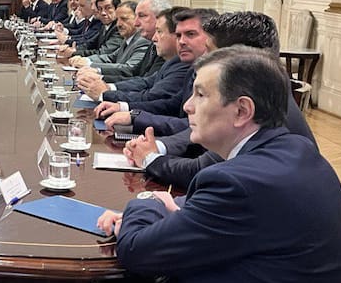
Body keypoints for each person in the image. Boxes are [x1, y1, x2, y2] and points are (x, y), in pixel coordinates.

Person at [78, 46, 341, 283]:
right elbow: (243, 223)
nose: (188, 106)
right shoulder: (295, 151)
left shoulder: (238, 182)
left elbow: (136, 252)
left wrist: (147, 200)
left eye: (201, 94)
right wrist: (179, 212)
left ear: (242, 111)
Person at [125, 12, 316, 188]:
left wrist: (150, 158)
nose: (203, 57)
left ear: (238, 58)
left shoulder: (258, 109)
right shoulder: (266, 92)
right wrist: (157, 147)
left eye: (210, 52)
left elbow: (199, 172)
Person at [69, 1, 150, 76]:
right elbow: (110, 57)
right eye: (117, 19)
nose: (118, 24)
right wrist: (86, 60)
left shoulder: (142, 41)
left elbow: (129, 68)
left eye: (124, 19)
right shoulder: (128, 39)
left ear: (137, 20)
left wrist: (90, 65)